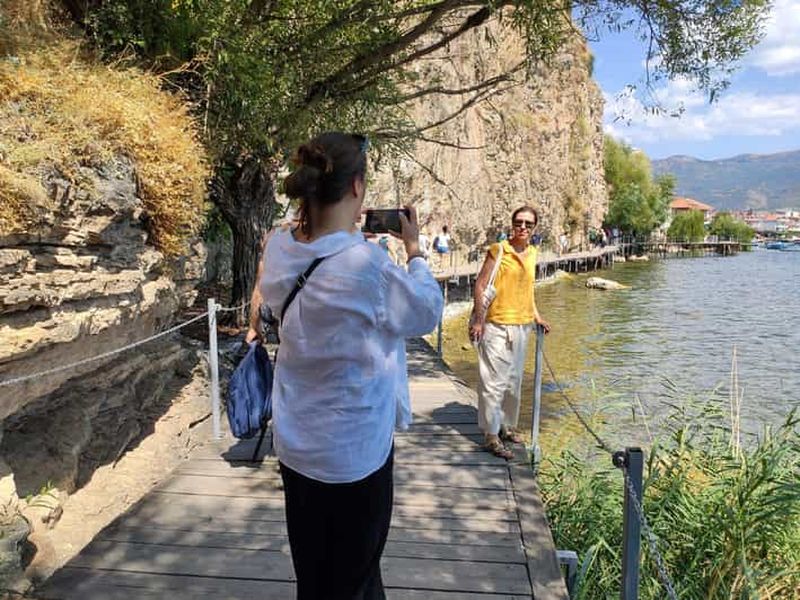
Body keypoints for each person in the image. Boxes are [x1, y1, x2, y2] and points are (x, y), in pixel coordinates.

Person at [257, 132, 442, 599]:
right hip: (354, 455)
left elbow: (297, 236)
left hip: (297, 444)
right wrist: (415, 250)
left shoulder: (279, 248)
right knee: (356, 580)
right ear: (357, 187)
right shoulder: (368, 267)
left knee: (315, 578)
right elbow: (425, 311)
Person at [469, 206, 551, 459]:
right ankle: (491, 436)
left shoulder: (533, 253)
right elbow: (481, 285)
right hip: (496, 324)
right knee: (493, 383)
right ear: (512, 224)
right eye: (519, 222)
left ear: (535, 228)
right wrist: (479, 321)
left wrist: (537, 316)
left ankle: (506, 426)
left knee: (514, 383)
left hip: (522, 324)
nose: (523, 227)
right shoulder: (498, 250)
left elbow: (527, 290)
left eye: (528, 224)